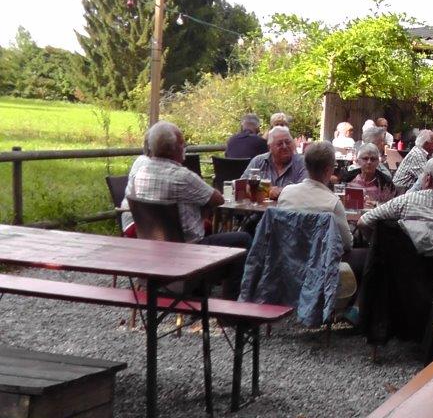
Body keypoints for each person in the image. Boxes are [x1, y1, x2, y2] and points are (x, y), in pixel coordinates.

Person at [127, 121, 250, 298]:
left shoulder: (141, 173)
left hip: (151, 258)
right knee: (242, 240)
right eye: (183, 144)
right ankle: (231, 307)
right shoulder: (182, 176)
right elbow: (218, 199)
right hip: (188, 258)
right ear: (176, 148)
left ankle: (199, 298)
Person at [358, 156, 433, 256]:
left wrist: (377, 245)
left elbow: (363, 222)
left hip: (404, 273)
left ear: (428, 179)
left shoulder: (405, 201)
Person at [276, 140, 353, 253]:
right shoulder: (333, 203)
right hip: (319, 261)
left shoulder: (286, 192)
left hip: (286, 257)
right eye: (334, 166)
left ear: (306, 166)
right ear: (328, 170)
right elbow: (347, 244)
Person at [243, 127, 307, 201]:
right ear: (270, 147)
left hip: (290, 208)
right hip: (260, 208)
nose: (285, 146)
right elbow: (242, 185)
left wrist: (280, 192)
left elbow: (305, 190)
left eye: (288, 142)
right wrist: (267, 190)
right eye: (279, 144)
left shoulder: (303, 163)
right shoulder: (258, 161)